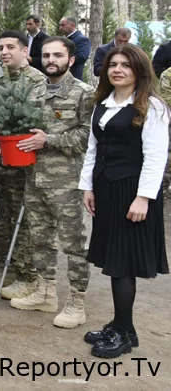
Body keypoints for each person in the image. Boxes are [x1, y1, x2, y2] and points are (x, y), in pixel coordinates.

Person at [79, 44, 169, 359]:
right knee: (115, 260)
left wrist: (143, 198)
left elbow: (156, 157)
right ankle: (123, 325)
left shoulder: (152, 106)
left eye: (125, 65)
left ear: (139, 70)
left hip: (133, 192)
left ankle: (123, 333)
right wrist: (87, 187)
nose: (117, 69)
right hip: (105, 189)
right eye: (112, 64)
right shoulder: (102, 104)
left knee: (123, 263)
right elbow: (93, 148)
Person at [9, 36, 93, 327]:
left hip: (67, 181)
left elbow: (87, 136)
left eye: (57, 55)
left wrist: (50, 140)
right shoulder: (34, 91)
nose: (50, 60)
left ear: (71, 60)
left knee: (74, 244)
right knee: (40, 238)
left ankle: (77, 302)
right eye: (46, 55)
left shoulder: (83, 93)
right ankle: (45, 293)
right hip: (34, 177)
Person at [0, 31, 47, 295]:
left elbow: (37, 119)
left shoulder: (37, 80)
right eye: (1, 47)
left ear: (25, 51)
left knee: (22, 221)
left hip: (22, 163)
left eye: (11, 47)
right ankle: (4, 269)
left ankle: (27, 275)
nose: (4, 51)